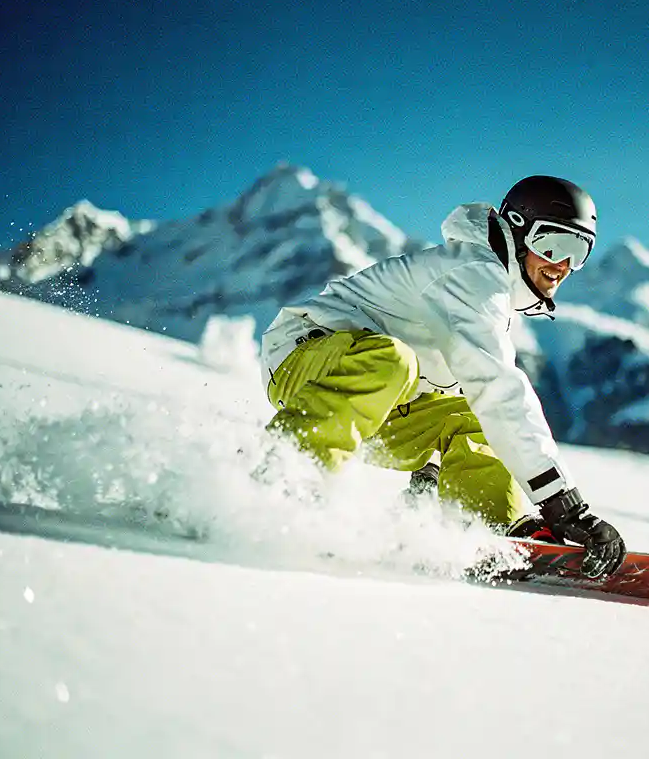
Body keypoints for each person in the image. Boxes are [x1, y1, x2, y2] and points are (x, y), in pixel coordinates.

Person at [260, 175, 626, 578]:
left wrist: (430, 469)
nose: (561, 265)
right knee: (397, 362)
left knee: (472, 416)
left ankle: (488, 526)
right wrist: (564, 504)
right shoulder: (474, 275)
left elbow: (458, 388)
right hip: (305, 359)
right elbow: (498, 389)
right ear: (518, 233)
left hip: (379, 400)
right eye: (553, 244)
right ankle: (286, 479)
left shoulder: (494, 293)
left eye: (578, 252)